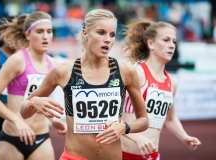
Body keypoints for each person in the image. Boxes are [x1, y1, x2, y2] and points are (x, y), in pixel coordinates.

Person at [20, 9, 149, 160]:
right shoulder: (63, 71)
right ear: (85, 33)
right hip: (74, 156)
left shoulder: (126, 71)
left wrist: (124, 127)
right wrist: (33, 103)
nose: (108, 39)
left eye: (112, 34)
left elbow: (144, 120)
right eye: (101, 32)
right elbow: (24, 112)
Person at [0, 11, 67, 160]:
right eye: (40, 31)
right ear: (27, 35)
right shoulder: (17, 60)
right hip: (12, 139)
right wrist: (17, 121)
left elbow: (43, 103)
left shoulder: (54, 65)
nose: (45, 36)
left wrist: (54, 120)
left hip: (41, 138)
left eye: (49, 31)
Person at [121, 20, 201, 160]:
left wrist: (184, 137)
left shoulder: (172, 82)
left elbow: (170, 119)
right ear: (150, 43)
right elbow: (110, 115)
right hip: (123, 155)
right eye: (166, 40)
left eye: (174, 41)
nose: (171, 46)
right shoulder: (137, 74)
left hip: (152, 156)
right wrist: (134, 135)